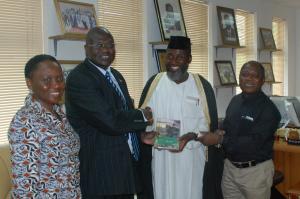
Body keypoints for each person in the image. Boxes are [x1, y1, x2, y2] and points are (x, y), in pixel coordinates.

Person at [65, 26, 153, 199]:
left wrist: (139, 134)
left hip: (125, 169)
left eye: (110, 45)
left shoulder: (116, 75)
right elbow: (109, 120)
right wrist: (142, 116)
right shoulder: (80, 78)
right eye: (99, 45)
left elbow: (124, 113)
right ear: (86, 49)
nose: (106, 50)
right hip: (102, 174)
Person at [138, 36, 224, 199]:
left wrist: (188, 136)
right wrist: (147, 133)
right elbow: (143, 121)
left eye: (180, 57)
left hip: (191, 159)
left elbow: (208, 126)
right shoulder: (155, 83)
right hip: (162, 160)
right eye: (170, 56)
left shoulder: (201, 86)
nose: (173, 61)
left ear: (189, 59)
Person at [8, 54, 81, 198]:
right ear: (29, 83)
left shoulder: (59, 113)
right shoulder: (25, 121)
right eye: (47, 80)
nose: (56, 85)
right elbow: (25, 184)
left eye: (59, 79)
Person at [221, 61, 281, 199]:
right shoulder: (234, 101)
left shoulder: (269, 110)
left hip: (255, 172)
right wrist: (220, 132)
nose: (248, 79)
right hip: (230, 168)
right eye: (245, 75)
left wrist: (220, 139)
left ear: (262, 80)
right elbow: (227, 127)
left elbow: (253, 143)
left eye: (255, 76)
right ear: (239, 77)